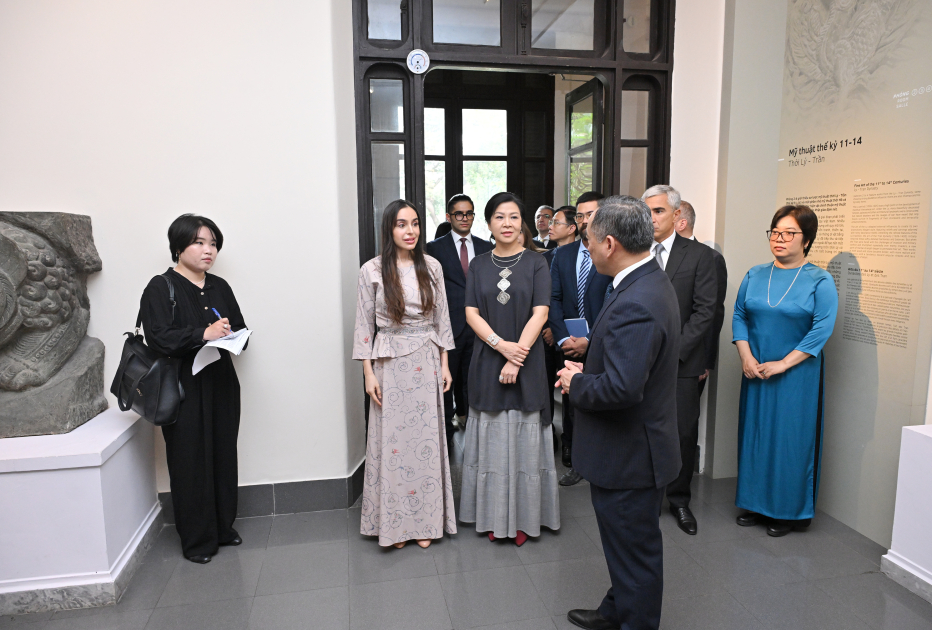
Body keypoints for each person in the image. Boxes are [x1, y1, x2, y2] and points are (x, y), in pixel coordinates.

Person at [558, 196, 681, 630]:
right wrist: (591, 365)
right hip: (632, 450)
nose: (587, 249)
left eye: (589, 240)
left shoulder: (637, 299)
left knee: (635, 556)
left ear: (610, 243)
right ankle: (616, 611)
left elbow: (623, 388)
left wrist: (576, 383)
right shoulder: (643, 280)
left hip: (630, 457)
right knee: (625, 550)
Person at [140, 214, 247, 564]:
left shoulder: (220, 287)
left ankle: (222, 527)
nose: (208, 250)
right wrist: (203, 333)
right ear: (178, 247)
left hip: (221, 384)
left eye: (213, 244)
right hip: (182, 388)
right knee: (189, 460)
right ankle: (198, 541)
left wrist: (235, 336)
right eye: (199, 242)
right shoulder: (161, 287)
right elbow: (158, 337)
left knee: (222, 454)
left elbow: (239, 327)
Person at [353, 199, 457, 549]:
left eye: (414, 223)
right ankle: (395, 525)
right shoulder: (371, 270)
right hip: (389, 363)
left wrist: (444, 363)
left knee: (425, 444)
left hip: (426, 359)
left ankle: (426, 522)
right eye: (402, 224)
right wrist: (368, 373)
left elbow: (442, 318)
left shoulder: (432, 266)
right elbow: (364, 325)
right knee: (394, 446)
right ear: (389, 229)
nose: (410, 231)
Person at [460, 192, 559, 546]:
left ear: (522, 223)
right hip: (488, 360)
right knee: (492, 442)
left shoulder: (537, 262)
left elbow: (541, 313)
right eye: (499, 217)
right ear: (489, 223)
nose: (507, 223)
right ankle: (491, 516)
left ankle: (524, 519)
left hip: (527, 361)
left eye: (514, 217)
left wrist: (516, 357)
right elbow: (471, 313)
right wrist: (501, 346)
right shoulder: (479, 265)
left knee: (524, 442)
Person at [733, 205, 838, 537]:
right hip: (756, 370)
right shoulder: (755, 274)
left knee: (790, 441)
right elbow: (739, 315)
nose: (779, 238)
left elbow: (821, 329)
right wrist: (745, 356)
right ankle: (754, 503)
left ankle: (787, 511)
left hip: (796, 375)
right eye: (775, 232)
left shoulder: (820, 280)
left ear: (806, 240)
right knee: (757, 436)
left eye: (789, 233)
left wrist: (783, 363)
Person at [642, 185, 717, 536]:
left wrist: (673, 353)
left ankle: (679, 500)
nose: (652, 218)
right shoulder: (635, 251)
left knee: (683, 432)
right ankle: (647, 495)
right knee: (643, 430)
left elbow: (705, 312)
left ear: (676, 215)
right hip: (639, 360)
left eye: (658, 211)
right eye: (647, 212)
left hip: (682, 364)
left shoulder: (701, 256)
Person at [548, 191, 611, 486]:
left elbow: (614, 303)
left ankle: (602, 462)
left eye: (591, 214)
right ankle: (576, 461)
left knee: (602, 404)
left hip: (604, 344)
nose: (585, 220)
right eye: (580, 215)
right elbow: (554, 299)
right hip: (569, 345)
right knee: (572, 405)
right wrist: (563, 340)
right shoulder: (562, 254)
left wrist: (592, 340)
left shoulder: (612, 251)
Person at [426, 194, 493, 435]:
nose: (465, 218)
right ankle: (445, 429)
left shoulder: (486, 247)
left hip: (481, 325)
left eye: (469, 213)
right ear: (449, 217)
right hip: (448, 325)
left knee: (474, 378)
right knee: (447, 378)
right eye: (459, 214)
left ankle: (475, 427)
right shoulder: (433, 248)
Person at [676, 200, 728, 396]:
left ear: (681, 223)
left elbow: (713, 313)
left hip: (692, 358)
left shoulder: (711, 258)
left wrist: (706, 361)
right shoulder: (653, 254)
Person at [542, 206, 578, 423]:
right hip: (544, 333)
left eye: (556, 222)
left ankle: (569, 437)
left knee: (570, 392)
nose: (550, 226)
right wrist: (548, 327)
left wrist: (559, 331)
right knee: (545, 385)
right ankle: (547, 432)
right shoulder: (543, 259)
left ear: (572, 228)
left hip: (572, 337)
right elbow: (543, 297)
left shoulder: (586, 255)